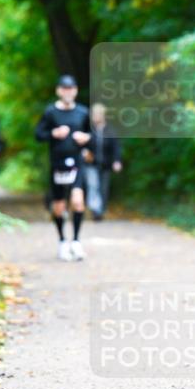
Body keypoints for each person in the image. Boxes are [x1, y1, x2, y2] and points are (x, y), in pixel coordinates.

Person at [35, 75, 92, 261]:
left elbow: (93, 134)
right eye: (65, 88)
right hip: (57, 164)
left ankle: (76, 241)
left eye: (71, 88)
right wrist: (54, 133)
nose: (68, 92)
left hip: (77, 162)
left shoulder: (83, 112)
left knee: (78, 201)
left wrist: (86, 138)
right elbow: (38, 134)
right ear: (59, 91)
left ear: (75, 91)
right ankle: (62, 241)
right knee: (59, 207)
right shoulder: (51, 112)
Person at [83, 103, 123, 221]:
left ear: (103, 115)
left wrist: (117, 161)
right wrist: (84, 152)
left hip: (106, 165)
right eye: (94, 114)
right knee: (93, 186)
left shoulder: (110, 130)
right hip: (91, 164)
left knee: (103, 188)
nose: (95, 116)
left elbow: (116, 147)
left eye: (98, 114)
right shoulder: (89, 130)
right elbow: (83, 144)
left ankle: (101, 210)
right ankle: (95, 210)